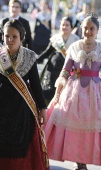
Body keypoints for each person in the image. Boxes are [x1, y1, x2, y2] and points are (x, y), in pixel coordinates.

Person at [0, 19, 49, 170]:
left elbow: (35, 84)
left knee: (19, 146)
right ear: (2, 36)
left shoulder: (30, 56)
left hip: (21, 107)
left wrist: (42, 107)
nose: (10, 40)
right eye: (7, 36)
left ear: (21, 37)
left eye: (14, 36)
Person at [45, 12, 101, 170]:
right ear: (80, 29)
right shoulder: (74, 47)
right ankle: (79, 162)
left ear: (97, 30)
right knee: (74, 127)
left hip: (95, 92)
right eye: (85, 28)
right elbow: (65, 69)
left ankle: (86, 159)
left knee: (92, 127)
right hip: (75, 91)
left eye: (92, 28)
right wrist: (62, 80)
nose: (88, 31)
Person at [37, 17, 79, 105]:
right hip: (52, 71)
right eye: (62, 25)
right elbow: (47, 53)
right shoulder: (56, 38)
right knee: (49, 95)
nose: (64, 27)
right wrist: (35, 60)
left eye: (67, 25)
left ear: (71, 27)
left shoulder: (76, 40)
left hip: (68, 72)